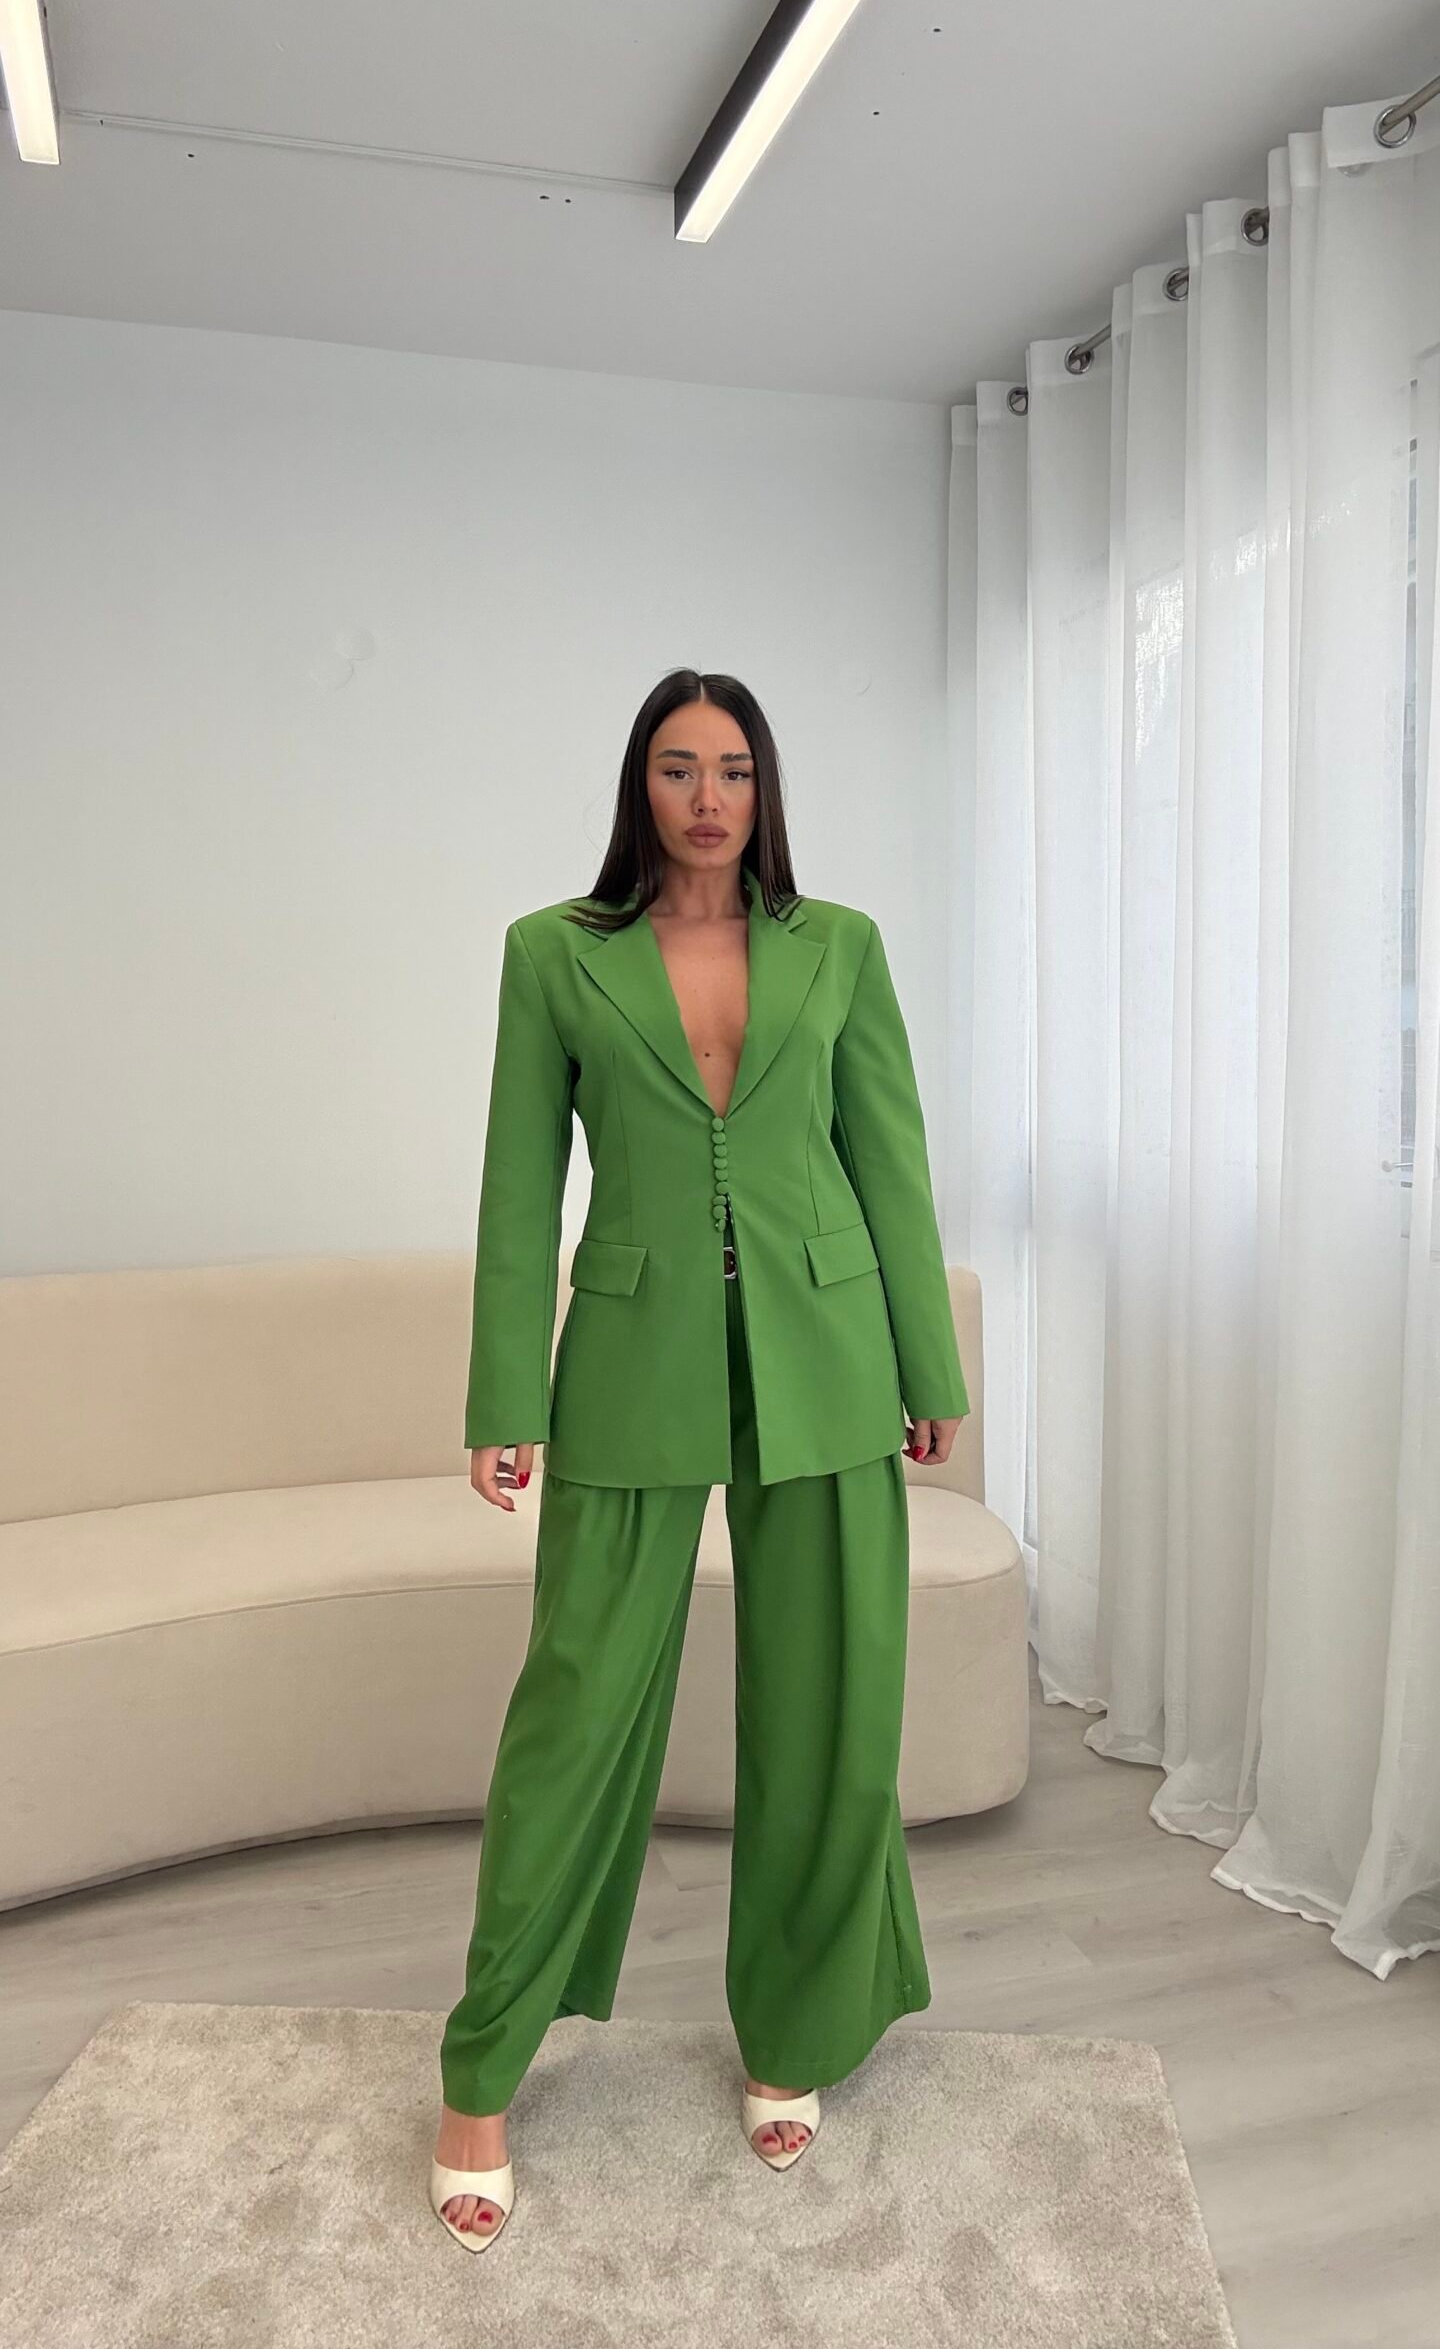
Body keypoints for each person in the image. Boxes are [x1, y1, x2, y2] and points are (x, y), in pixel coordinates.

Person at [429, 668, 969, 2251]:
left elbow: (891, 1162)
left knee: (827, 1708)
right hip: (631, 1362)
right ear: (640, 787)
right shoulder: (554, 954)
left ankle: (794, 2032)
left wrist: (928, 1365)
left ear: (764, 787)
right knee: (575, 1708)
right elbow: (516, 1185)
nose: (709, 796)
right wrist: (503, 1396)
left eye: (734, 768)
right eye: (679, 768)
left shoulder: (841, 946)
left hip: (829, 1356)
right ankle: (480, 2072)